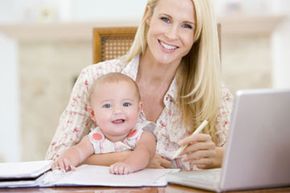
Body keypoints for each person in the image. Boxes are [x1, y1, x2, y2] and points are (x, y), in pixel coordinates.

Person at [46, 0, 233, 171]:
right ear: (148, 17)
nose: (171, 34)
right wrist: (132, 159)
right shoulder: (93, 78)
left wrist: (217, 157)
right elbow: (54, 159)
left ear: (197, 35)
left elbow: (250, 159)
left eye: (187, 26)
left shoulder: (211, 92)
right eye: (165, 19)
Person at [53, 73, 156, 175]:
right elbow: (78, 151)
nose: (117, 111)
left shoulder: (142, 135)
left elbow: (144, 153)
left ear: (139, 109)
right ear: (93, 114)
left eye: (126, 104)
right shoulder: (94, 139)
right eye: (107, 106)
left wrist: (128, 165)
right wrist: (67, 159)